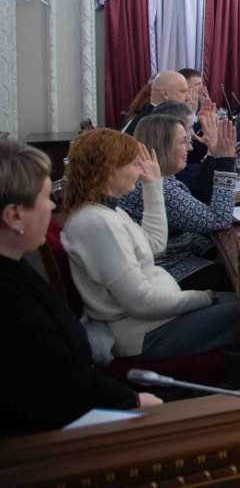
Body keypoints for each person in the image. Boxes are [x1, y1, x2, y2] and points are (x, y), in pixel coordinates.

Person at [0, 139, 163, 435]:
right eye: (46, 197)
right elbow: (57, 383)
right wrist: (132, 401)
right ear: (14, 216)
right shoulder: (11, 299)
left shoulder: (16, 266)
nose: (53, 206)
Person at [58, 129, 240, 371]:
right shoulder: (97, 223)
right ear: (110, 170)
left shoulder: (108, 212)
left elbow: (154, 244)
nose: (139, 171)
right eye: (134, 164)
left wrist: (152, 186)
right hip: (145, 332)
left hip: (157, 318)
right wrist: (202, 297)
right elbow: (141, 302)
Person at [120, 114, 237, 291]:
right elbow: (220, 219)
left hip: (177, 255)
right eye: (183, 142)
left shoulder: (157, 177)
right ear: (163, 147)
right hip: (165, 272)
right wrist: (226, 162)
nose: (190, 148)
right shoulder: (160, 187)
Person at [152, 100, 224, 204]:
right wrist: (216, 152)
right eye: (190, 127)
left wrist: (211, 148)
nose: (193, 134)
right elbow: (203, 195)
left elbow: (193, 166)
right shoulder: (167, 181)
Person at [122, 70, 190, 135]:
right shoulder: (153, 123)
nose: (188, 98)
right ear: (165, 94)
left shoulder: (151, 117)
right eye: (182, 91)